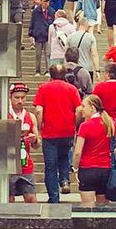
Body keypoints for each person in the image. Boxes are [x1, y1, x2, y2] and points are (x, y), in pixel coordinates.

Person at [34, 65, 82, 204]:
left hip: (49, 133)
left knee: (50, 166)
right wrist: (74, 123)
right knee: (64, 157)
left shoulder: (44, 88)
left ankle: (54, 197)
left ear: (51, 74)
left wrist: (39, 126)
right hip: (67, 131)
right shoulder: (72, 89)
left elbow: (38, 110)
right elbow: (79, 110)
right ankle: (65, 180)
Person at [73, 94, 116, 207]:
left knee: (87, 206)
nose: (81, 109)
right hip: (105, 169)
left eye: (83, 106)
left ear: (92, 108)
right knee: (103, 207)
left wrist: (75, 168)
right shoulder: (109, 123)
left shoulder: (85, 126)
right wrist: (113, 154)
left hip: (87, 169)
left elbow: (77, 152)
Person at [8, 82, 39, 203]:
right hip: (8, 163)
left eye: (23, 97)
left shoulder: (31, 116)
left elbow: (37, 145)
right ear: (10, 97)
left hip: (25, 163)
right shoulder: (3, 114)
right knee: (8, 198)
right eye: (17, 97)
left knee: (31, 198)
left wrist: (34, 139)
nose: (20, 101)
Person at [28, 0, 53, 75]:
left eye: (48, 1)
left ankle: (48, 70)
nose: (46, 3)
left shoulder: (52, 11)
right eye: (45, 1)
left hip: (47, 36)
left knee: (47, 54)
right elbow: (32, 22)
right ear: (41, 2)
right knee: (38, 55)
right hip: (38, 35)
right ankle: (37, 70)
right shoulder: (36, 12)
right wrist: (31, 33)